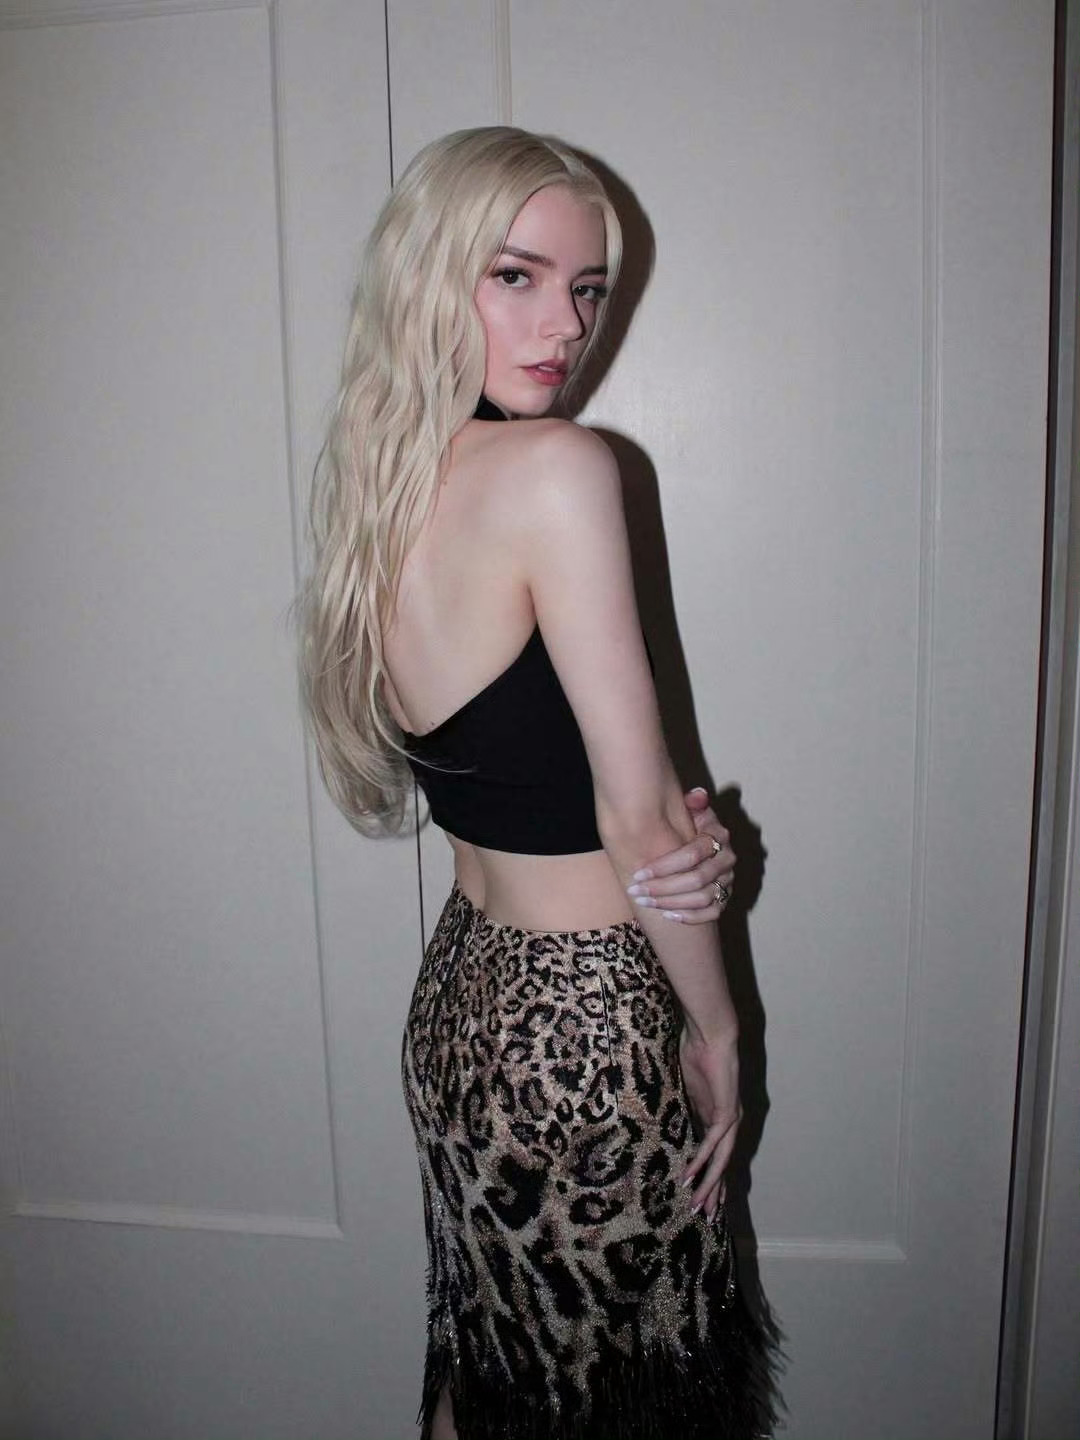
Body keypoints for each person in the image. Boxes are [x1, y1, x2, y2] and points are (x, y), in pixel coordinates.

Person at [300, 127, 779, 1440]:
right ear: (431, 272)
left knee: (496, 1376)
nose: (565, 324)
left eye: (587, 288)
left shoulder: (381, 483)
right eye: (516, 275)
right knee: (622, 1401)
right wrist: (718, 1031)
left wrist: (676, 842)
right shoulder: (558, 470)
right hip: (582, 1033)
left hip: (463, 1007)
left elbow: (550, 786)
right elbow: (636, 820)